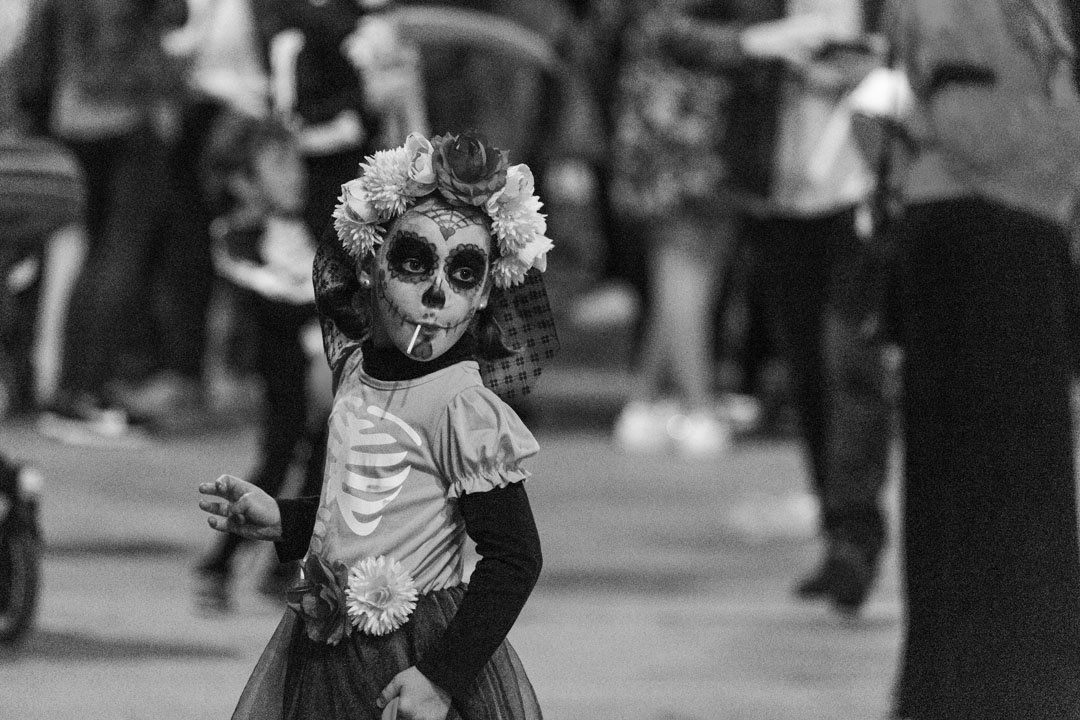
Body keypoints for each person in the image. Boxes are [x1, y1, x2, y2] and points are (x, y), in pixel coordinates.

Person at [198, 130, 553, 720]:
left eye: (464, 273)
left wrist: (441, 678)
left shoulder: (462, 408)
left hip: (413, 657)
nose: (436, 295)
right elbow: (368, 507)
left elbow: (515, 557)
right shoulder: (357, 369)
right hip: (326, 643)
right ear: (369, 264)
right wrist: (284, 518)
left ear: (489, 290)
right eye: (415, 263)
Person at [890, 0, 1080, 716]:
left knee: (1014, 480)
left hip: (1008, 238)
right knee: (986, 480)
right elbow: (974, 129)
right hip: (980, 243)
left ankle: (1014, 680)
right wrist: (1060, 150)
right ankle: (992, 688)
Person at [736, 3, 894, 614]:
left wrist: (839, 56)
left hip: (855, 199)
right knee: (807, 371)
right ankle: (836, 533)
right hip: (784, 199)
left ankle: (856, 536)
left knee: (849, 368)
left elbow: (887, 59)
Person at [608, 0, 793, 457]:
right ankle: (697, 409)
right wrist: (753, 41)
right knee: (685, 262)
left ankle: (644, 404)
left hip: (719, 118)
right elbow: (660, 24)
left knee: (694, 269)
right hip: (679, 118)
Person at [17, 0, 189, 441]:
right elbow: (175, 14)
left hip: (73, 113)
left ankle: (74, 387)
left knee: (95, 253)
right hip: (127, 111)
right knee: (121, 254)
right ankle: (85, 392)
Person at [193, 111, 329, 613]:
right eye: (277, 164)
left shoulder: (317, 229)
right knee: (278, 455)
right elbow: (269, 290)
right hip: (280, 364)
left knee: (326, 458)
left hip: (323, 366)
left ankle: (284, 563)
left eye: (295, 160)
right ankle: (220, 561)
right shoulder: (234, 235)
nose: (294, 173)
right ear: (243, 182)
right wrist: (320, 319)